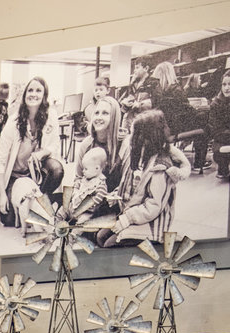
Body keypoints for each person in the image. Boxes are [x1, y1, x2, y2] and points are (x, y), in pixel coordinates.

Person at [97, 108, 190, 247]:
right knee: (100, 236)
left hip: (152, 221)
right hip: (131, 213)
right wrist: (116, 195)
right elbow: (129, 185)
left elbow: (153, 206)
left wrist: (127, 219)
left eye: (133, 134)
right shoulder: (137, 155)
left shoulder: (160, 167)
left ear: (147, 138)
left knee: (109, 244)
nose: (129, 138)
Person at [0, 76, 64, 231]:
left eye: (38, 90)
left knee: (57, 169)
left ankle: (40, 204)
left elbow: (54, 145)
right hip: (15, 176)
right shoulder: (13, 122)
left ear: (44, 95)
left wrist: (42, 153)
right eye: (30, 90)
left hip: (37, 174)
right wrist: (2, 195)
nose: (34, 94)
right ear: (25, 94)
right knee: (8, 220)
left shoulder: (51, 115)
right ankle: (43, 204)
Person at [72, 95, 129, 222]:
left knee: (98, 235)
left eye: (105, 113)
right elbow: (78, 177)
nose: (99, 117)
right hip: (88, 201)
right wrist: (77, 196)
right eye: (96, 113)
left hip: (111, 204)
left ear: (114, 117)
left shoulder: (124, 146)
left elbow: (126, 185)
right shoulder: (86, 144)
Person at [153, 61, 207, 171]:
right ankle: (199, 162)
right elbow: (187, 109)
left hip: (163, 128)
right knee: (204, 127)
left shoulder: (156, 92)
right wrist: (198, 110)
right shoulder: (176, 89)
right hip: (176, 129)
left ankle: (185, 144)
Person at [207, 64, 230, 180]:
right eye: (224, 84)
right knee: (220, 151)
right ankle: (223, 167)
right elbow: (216, 130)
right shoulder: (216, 104)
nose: (226, 88)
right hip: (224, 139)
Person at [66, 145, 109, 221]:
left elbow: (98, 199)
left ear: (97, 168)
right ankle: (57, 224)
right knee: (63, 209)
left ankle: (74, 233)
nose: (83, 171)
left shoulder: (100, 184)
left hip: (86, 211)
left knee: (83, 221)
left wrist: (86, 204)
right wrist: (75, 189)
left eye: (86, 169)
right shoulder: (85, 178)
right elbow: (78, 183)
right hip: (75, 204)